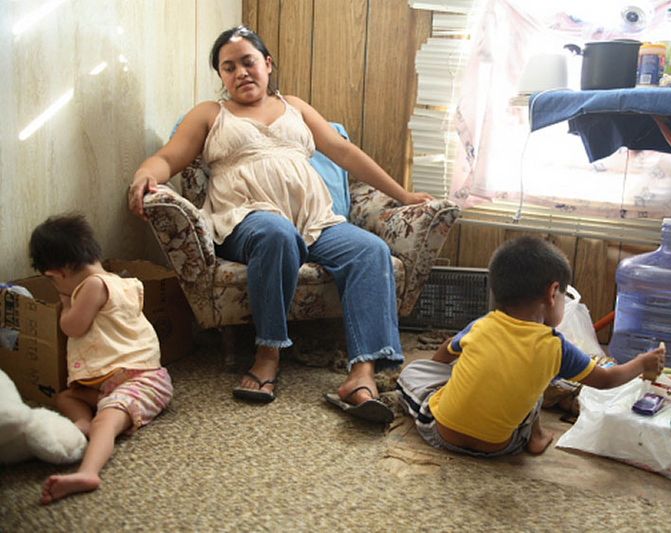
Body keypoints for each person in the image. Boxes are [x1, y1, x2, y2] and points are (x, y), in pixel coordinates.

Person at [128, 26, 431, 421]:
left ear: (267, 64)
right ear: (221, 76)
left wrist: (403, 195)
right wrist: (143, 175)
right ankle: (268, 352)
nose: (241, 72)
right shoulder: (210, 114)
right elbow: (167, 158)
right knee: (276, 233)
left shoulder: (296, 107)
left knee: (370, 250)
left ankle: (361, 374)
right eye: (229, 67)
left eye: (248, 61)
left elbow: (345, 152)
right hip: (244, 220)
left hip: (315, 222)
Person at [397, 236, 666, 457]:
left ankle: (428, 397)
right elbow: (606, 380)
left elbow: (445, 351)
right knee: (535, 382)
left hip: (443, 435)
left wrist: (441, 376)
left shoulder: (482, 325)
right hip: (501, 447)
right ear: (553, 293)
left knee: (414, 372)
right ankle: (535, 437)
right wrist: (642, 363)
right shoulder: (556, 348)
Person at [29, 214, 173, 504]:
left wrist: (65, 300)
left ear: (57, 274)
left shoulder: (91, 288)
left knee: (106, 420)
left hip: (142, 381)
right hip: (114, 381)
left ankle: (89, 472)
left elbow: (72, 327)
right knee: (66, 397)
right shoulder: (123, 282)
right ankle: (83, 424)